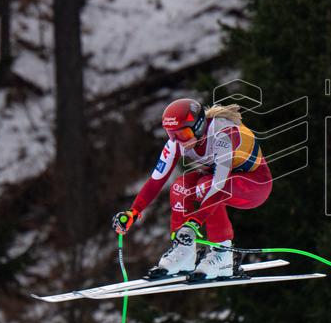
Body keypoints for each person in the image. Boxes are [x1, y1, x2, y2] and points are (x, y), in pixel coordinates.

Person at [111, 98, 272, 278]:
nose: (179, 141)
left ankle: (222, 254)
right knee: (180, 186)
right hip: (218, 183)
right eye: (172, 134)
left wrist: (194, 223)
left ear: (199, 126)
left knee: (206, 186)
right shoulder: (177, 142)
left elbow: (218, 186)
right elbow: (156, 180)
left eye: (184, 134)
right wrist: (134, 211)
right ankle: (184, 252)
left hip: (254, 187)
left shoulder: (223, 135)